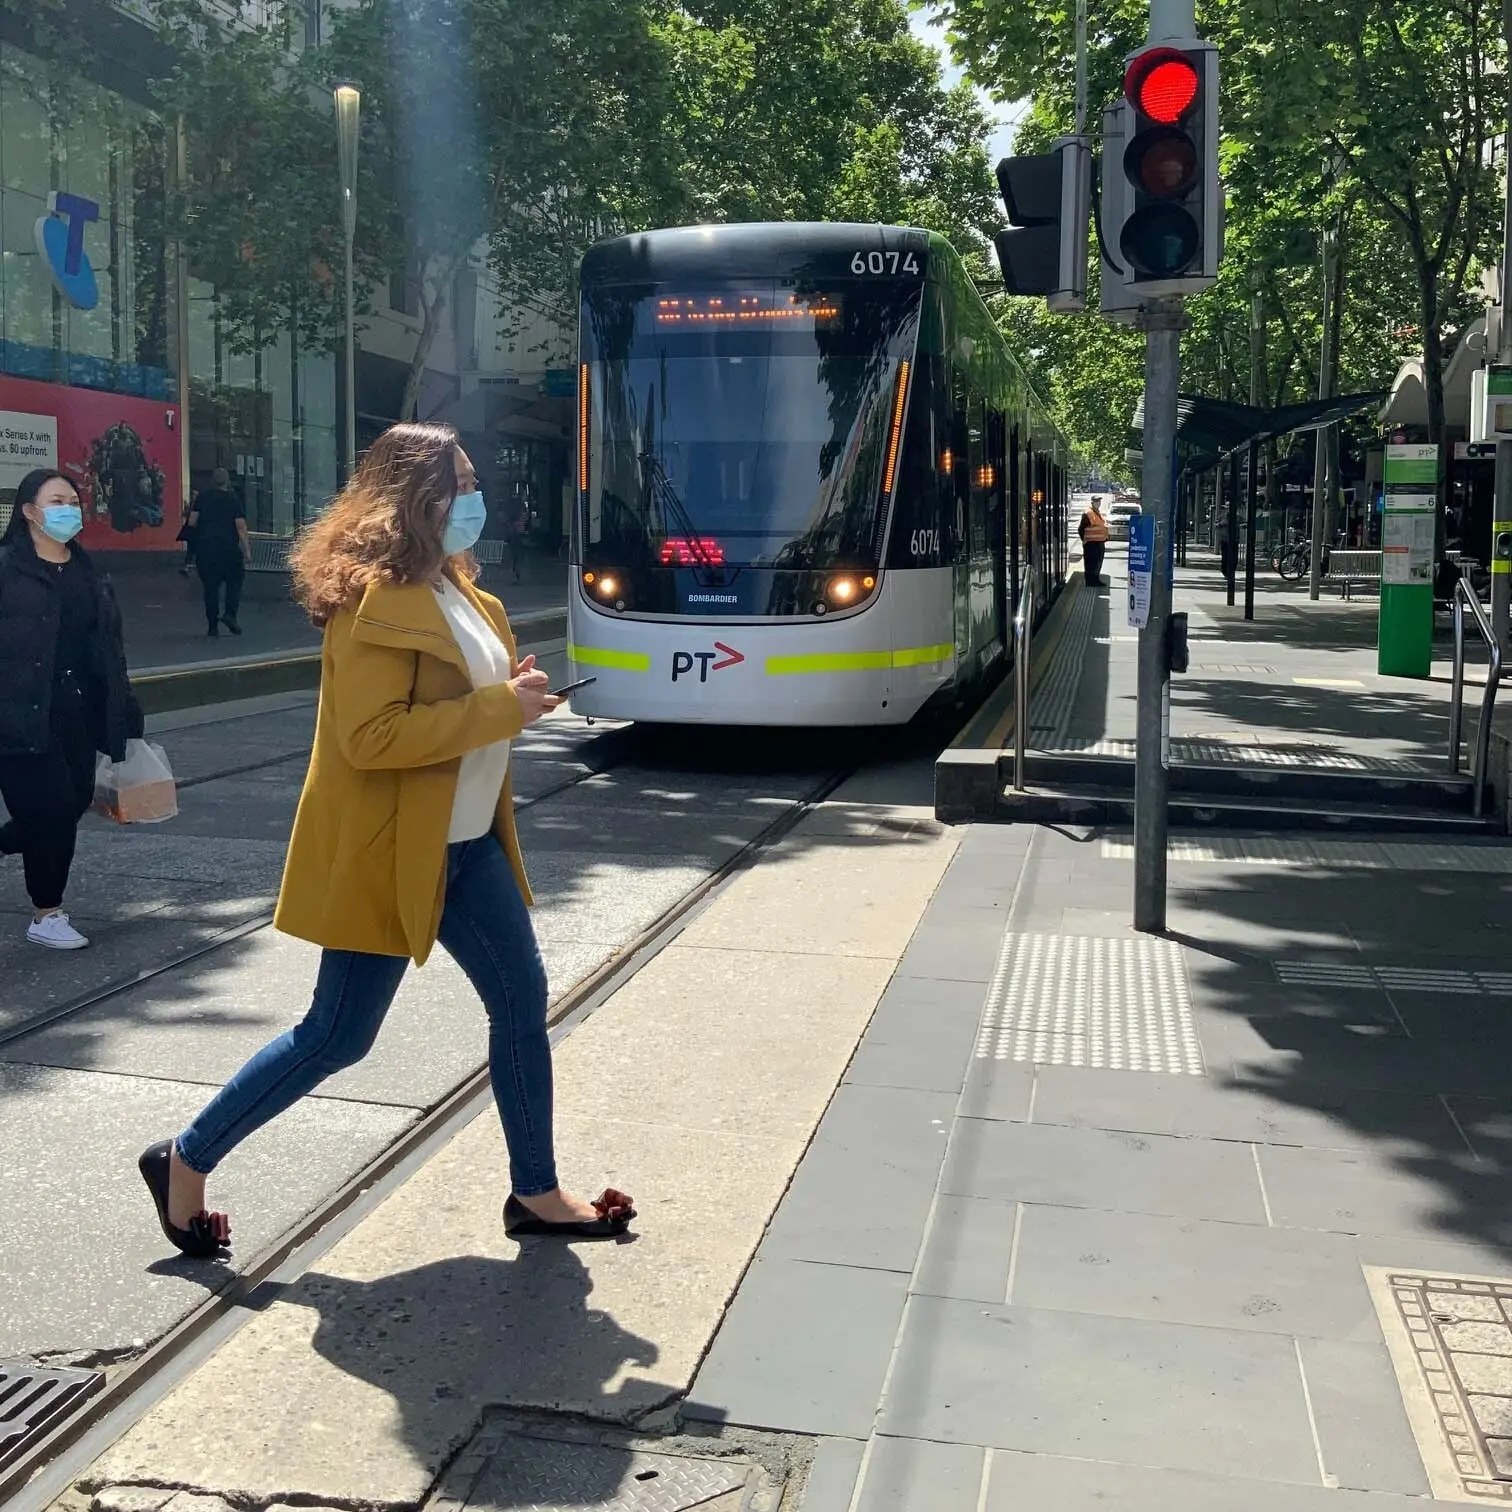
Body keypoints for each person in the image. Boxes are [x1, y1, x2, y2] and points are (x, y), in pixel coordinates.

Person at [137, 421, 635, 1258]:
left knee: (521, 1005)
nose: (476, 499)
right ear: (417, 499)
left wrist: (517, 695)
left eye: (474, 483)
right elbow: (371, 737)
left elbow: (468, 705)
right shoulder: (374, 605)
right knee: (337, 1035)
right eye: (460, 485)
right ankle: (185, 1158)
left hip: (469, 847)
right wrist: (497, 711)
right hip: (394, 851)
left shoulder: (465, 594)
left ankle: (537, 1189)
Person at [0, 469, 145, 951]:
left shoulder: (89, 571)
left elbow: (109, 647)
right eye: (57, 500)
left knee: (72, 802)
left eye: (73, 500)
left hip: (79, 710)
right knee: (49, 807)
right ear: (29, 512)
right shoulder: (6, 569)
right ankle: (47, 913)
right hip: (18, 713)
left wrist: (125, 709)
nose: (70, 508)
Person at [189, 468, 251, 637]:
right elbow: (240, 526)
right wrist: (246, 550)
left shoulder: (203, 497)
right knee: (235, 582)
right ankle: (230, 614)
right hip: (229, 549)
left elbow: (192, 522)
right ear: (227, 481)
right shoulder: (233, 499)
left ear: (212, 481)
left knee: (210, 588)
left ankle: (212, 625)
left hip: (206, 550)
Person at [1078, 496, 1110, 587]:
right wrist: (1084, 540)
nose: (1098, 503)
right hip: (1091, 543)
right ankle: (1090, 582)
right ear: (1092, 502)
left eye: (1099, 501)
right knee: (1091, 563)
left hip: (1099, 542)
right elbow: (1081, 529)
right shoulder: (1088, 513)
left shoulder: (1097, 513)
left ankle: (1096, 580)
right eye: (1096, 501)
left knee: (1097, 563)